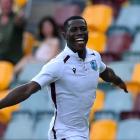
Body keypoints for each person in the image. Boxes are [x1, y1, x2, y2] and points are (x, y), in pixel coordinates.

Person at [0, 16, 128, 140]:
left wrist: (118, 81)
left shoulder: (94, 56)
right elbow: (28, 89)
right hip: (63, 133)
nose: (79, 33)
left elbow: (105, 72)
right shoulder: (58, 64)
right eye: (74, 30)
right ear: (64, 35)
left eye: (83, 29)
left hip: (82, 132)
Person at [0, 0, 25, 64]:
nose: (6, 5)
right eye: (3, 3)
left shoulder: (16, 17)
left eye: (8, 3)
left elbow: (19, 22)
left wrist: (20, 13)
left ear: (12, 4)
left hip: (12, 59)